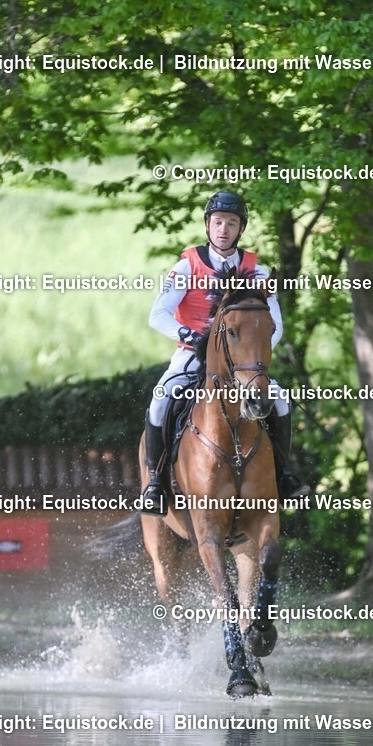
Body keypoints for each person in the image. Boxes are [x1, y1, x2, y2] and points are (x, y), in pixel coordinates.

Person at [141, 190, 309, 516]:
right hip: (192, 353)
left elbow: (275, 323)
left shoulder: (257, 272)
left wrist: (252, 359)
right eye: (218, 222)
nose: (223, 229)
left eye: (231, 223)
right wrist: (186, 334)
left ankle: (284, 474)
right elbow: (157, 315)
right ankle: (156, 482)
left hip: (243, 365)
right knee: (161, 397)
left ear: (240, 229)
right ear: (208, 225)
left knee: (281, 399)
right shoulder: (186, 266)